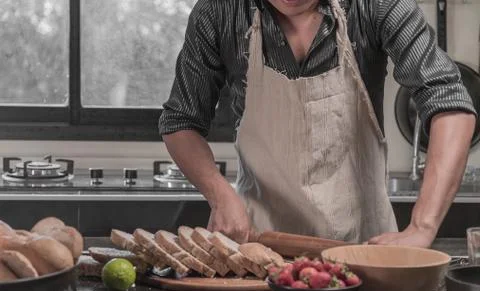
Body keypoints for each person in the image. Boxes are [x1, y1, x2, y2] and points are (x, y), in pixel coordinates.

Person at [158, 0, 477, 247]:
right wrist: (220, 195)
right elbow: (181, 121)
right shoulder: (219, 12)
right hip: (258, 247)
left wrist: (422, 228)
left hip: (364, 250)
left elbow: (448, 101)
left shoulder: (376, 6)